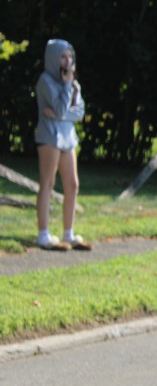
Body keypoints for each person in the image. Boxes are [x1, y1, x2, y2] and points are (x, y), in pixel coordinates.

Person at [34, 38, 91, 251]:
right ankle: (43, 234)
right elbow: (60, 107)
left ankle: (69, 233)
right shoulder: (45, 81)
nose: (67, 61)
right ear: (53, 58)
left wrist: (61, 114)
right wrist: (67, 87)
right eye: (63, 56)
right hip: (49, 136)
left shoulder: (73, 83)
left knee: (72, 184)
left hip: (68, 137)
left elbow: (79, 112)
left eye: (70, 56)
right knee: (48, 183)